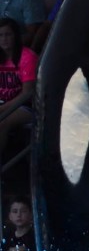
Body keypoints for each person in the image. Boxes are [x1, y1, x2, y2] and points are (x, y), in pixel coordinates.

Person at [0, 17, 37, 158]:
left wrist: (3, 109)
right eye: (1, 35)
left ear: (16, 35)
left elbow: (27, 94)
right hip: (3, 103)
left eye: (8, 34)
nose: (4, 39)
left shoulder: (27, 57)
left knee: (3, 122)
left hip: (25, 106)